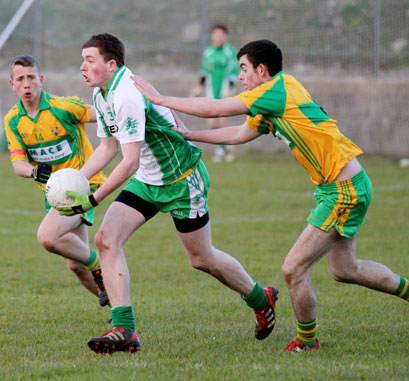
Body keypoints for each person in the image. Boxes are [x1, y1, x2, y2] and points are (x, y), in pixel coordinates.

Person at [132, 39, 409, 351]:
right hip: (338, 187)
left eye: (244, 69)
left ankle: (307, 341)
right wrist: (190, 135)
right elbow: (240, 133)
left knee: (293, 269)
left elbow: (216, 107)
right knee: (345, 270)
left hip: (344, 191)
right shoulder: (272, 99)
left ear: (261, 69)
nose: (240, 76)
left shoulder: (278, 90)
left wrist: (161, 99)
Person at [57, 33, 278, 354]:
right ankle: (125, 330)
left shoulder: (126, 93)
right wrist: (75, 182)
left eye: (89, 60)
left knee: (202, 259)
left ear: (111, 64)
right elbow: (108, 149)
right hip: (148, 179)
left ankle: (261, 297)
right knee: (106, 239)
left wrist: (91, 199)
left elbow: (128, 161)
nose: (82, 66)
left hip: (181, 178)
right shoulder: (102, 94)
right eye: (83, 59)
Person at [4, 55, 109, 307]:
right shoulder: (13, 121)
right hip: (56, 193)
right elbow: (18, 164)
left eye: (31, 77)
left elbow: (105, 115)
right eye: (20, 79)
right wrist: (32, 171)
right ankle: (121, 313)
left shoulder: (64, 107)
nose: (26, 83)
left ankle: (99, 267)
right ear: (12, 84)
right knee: (74, 264)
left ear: (40, 80)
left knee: (47, 237)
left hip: (85, 183)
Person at [193, 23, 239, 163]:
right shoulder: (208, 52)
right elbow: (204, 72)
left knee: (223, 121)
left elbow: (234, 72)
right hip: (212, 91)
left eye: (221, 35)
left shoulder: (230, 52)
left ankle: (221, 150)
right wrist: (199, 87)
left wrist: (229, 89)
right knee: (212, 124)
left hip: (225, 91)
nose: (218, 38)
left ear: (225, 37)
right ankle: (227, 146)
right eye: (216, 35)